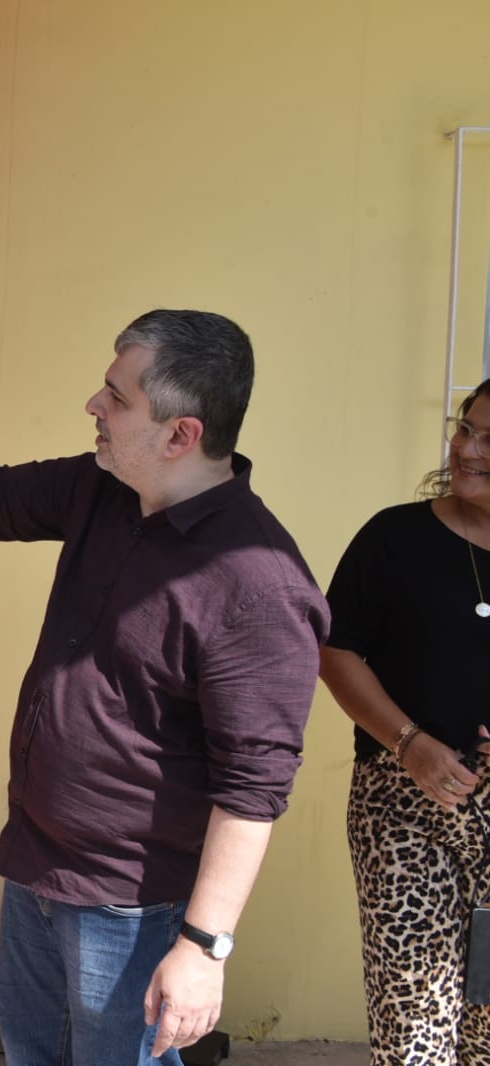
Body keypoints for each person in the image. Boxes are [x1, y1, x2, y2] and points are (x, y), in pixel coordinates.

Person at [0, 309, 329, 1065]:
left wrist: (200, 949)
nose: (93, 405)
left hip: (130, 906)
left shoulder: (257, 584)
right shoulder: (107, 488)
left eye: (116, 397)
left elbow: (252, 789)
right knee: (33, 1053)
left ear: (180, 435)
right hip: (34, 863)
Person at [320, 377, 490, 1063]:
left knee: (486, 1024)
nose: (467, 448)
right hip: (403, 804)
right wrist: (407, 742)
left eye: (489, 439)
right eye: (465, 428)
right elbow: (334, 651)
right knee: (414, 1020)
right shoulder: (395, 538)